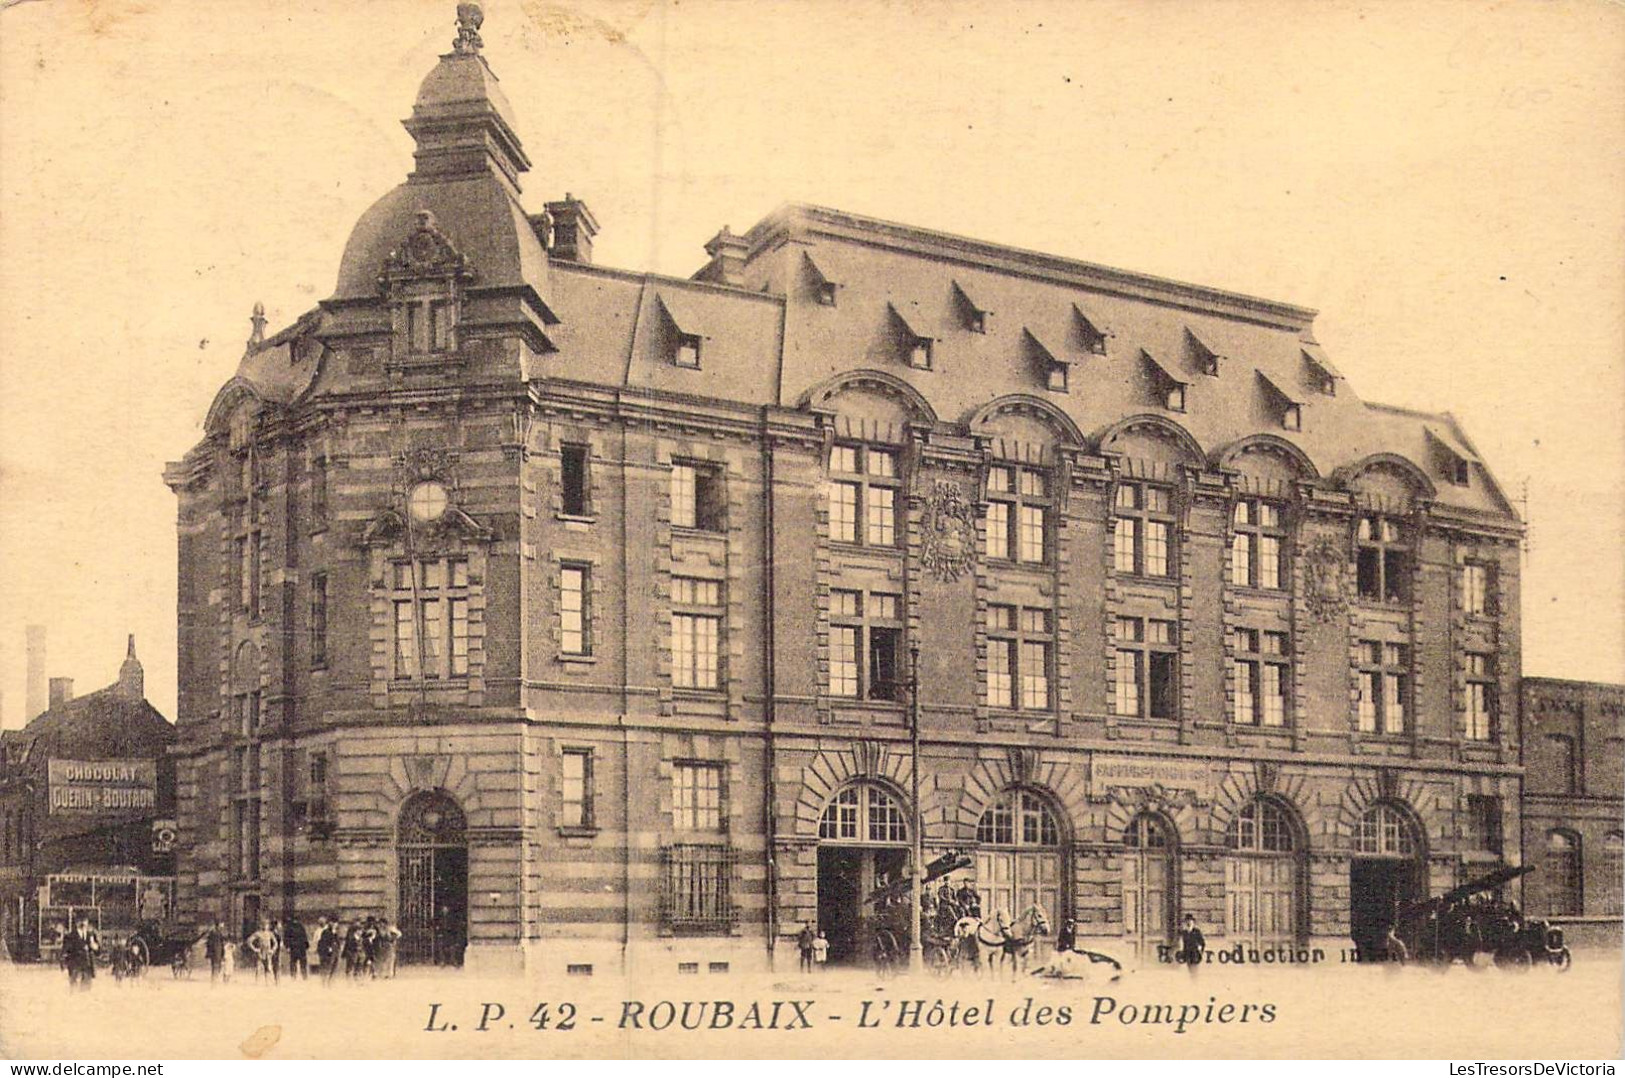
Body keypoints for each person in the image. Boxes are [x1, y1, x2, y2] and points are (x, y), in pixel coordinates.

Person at [61, 917, 99, 990]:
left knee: (86, 990)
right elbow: (65, 952)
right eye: (80, 921)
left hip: (87, 967)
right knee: (74, 990)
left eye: (85, 921)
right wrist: (64, 967)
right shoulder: (70, 936)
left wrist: (95, 946)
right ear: (76, 923)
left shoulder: (91, 935)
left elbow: (98, 951)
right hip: (75, 967)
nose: (83, 924)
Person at [247, 919, 280, 984]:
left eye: (267, 925)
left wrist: (272, 950)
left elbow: (276, 943)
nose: (265, 926)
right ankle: (257, 983)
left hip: (268, 953)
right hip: (260, 953)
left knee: (268, 969)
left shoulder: (270, 934)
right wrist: (255, 949)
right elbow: (249, 941)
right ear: (261, 925)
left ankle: (268, 983)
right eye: (264, 925)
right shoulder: (258, 933)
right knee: (259, 969)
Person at [316, 918, 341, 985]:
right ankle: (324, 983)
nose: (335, 924)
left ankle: (331, 983)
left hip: (335, 953)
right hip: (328, 954)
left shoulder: (335, 932)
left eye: (336, 923)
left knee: (334, 968)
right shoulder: (326, 932)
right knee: (327, 968)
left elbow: (338, 942)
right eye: (333, 923)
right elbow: (322, 943)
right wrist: (328, 948)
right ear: (330, 923)